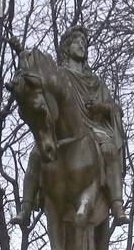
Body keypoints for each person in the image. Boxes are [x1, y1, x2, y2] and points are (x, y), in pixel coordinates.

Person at [14, 25, 127, 229]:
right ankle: (26, 208)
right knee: (35, 155)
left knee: (109, 149)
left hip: (94, 128)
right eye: (78, 42)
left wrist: (101, 106)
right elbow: (36, 83)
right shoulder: (60, 76)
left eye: (84, 43)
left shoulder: (96, 82)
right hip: (63, 131)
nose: (82, 46)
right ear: (66, 47)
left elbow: (115, 108)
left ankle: (117, 204)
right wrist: (22, 54)